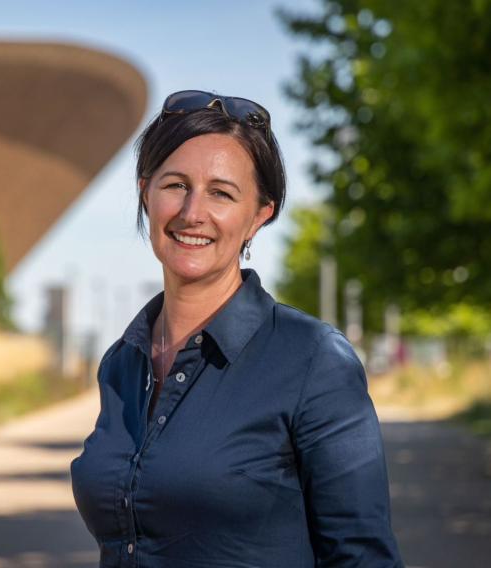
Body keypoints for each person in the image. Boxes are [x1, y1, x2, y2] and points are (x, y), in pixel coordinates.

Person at [70, 90, 403, 567]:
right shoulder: (123, 362)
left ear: (259, 215)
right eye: (175, 185)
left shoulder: (313, 359)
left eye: (221, 193)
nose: (192, 213)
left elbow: (363, 557)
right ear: (146, 192)